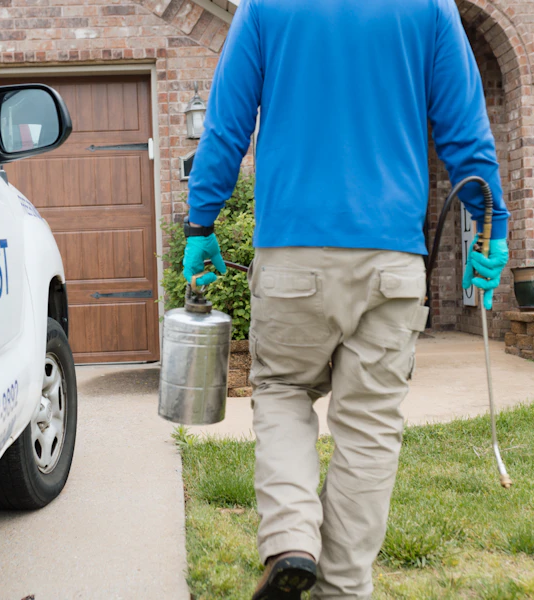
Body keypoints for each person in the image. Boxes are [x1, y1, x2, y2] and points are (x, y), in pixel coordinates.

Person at [182, 0, 510, 598]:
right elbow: (466, 131)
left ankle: (291, 541)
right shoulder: (430, 8)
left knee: (282, 391)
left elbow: (227, 125)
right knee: (369, 428)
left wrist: (201, 224)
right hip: (392, 263)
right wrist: (493, 224)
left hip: (292, 255)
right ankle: (344, 587)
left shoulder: (265, 6)